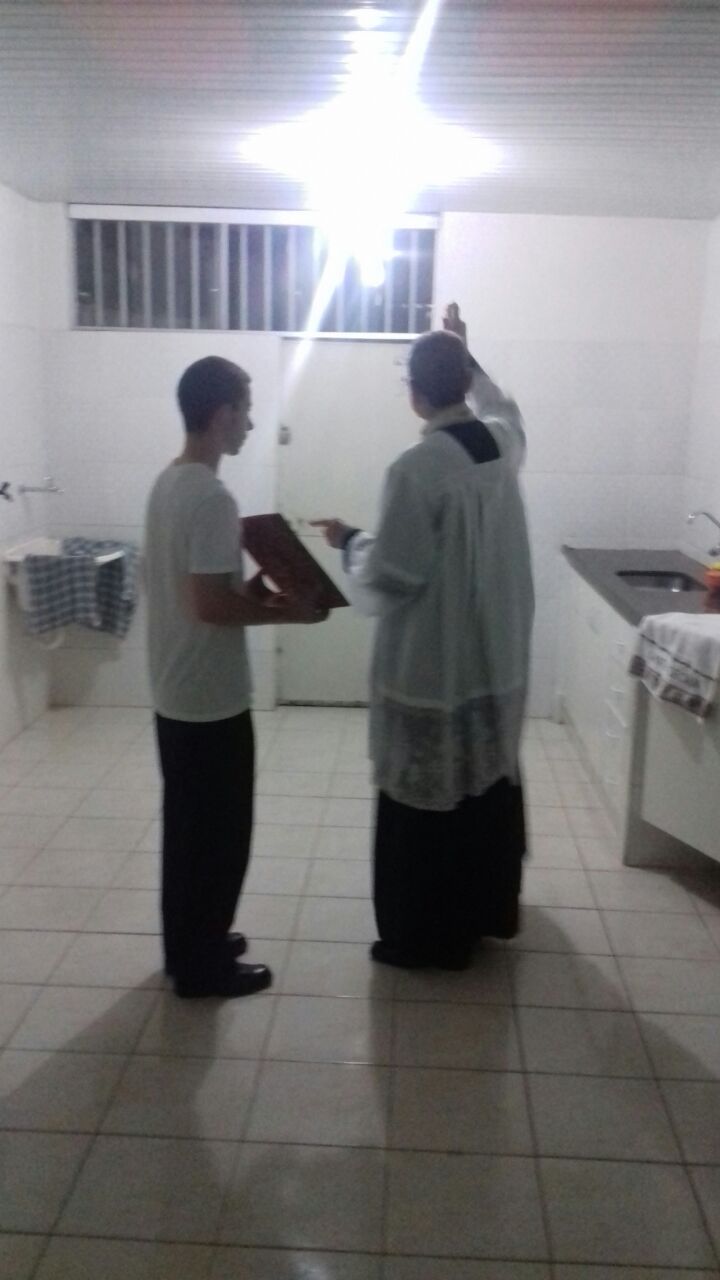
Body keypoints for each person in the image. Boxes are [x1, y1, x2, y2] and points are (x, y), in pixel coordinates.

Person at [313, 304, 533, 970]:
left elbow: (395, 573)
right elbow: (506, 407)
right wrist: (467, 351)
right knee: (482, 783)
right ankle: (483, 916)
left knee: (427, 799)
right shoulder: (500, 444)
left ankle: (427, 939)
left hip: (434, 667)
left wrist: (350, 540)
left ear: (413, 393)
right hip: (493, 658)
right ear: (462, 383)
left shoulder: (417, 467)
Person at [145, 355, 326, 998]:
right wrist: (291, 615)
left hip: (174, 689)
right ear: (223, 415)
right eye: (246, 412)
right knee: (220, 839)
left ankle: (189, 947)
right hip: (209, 699)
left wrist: (259, 591)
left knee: (186, 834)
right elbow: (209, 606)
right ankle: (204, 969)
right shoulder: (213, 498)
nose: (250, 424)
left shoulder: (168, 483)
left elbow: (204, 590)